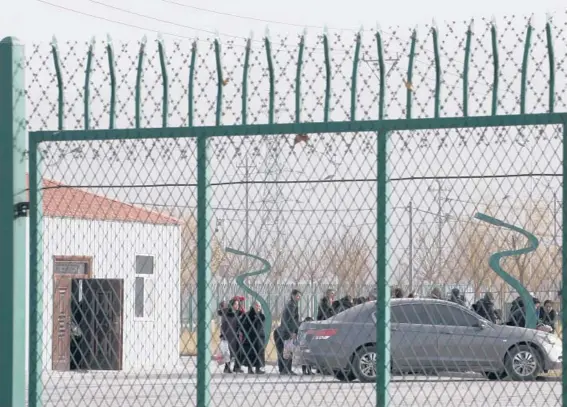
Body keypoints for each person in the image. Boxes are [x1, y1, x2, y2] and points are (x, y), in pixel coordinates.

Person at [273, 289, 302, 375]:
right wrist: (291, 332)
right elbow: (290, 320)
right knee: (287, 350)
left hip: (282, 331)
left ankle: (284, 369)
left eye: (300, 296)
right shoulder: (291, 305)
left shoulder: (292, 304)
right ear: (293, 295)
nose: (299, 298)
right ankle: (286, 369)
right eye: (297, 296)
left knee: (284, 350)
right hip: (285, 332)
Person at [220, 298, 245, 373]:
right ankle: (227, 367)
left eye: (238, 304)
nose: (237, 306)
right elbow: (223, 325)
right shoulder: (227, 314)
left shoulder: (238, 313)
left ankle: (237, 367)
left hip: (237, 335)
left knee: (238, 351)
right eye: (235, 304)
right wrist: (223, 335)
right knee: (229, 352)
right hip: (229, 335)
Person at [241, 301, 266, 374]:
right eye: (257, 306)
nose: (259, 307)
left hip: (260, 337)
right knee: (250, 352)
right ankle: (250, 368)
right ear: (253, 306)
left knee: (259, 352)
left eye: (259, 306)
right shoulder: (248, 315)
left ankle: (258, 368)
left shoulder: (261, 316)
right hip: (250, 337)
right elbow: (243, 325)